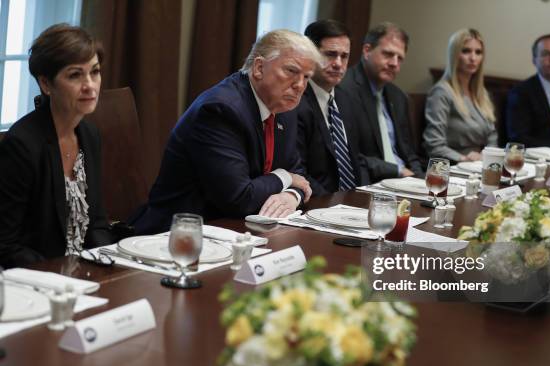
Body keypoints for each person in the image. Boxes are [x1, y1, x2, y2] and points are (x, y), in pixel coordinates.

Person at [132, 30, 319, 234]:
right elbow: (239, 198)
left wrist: (291, 196)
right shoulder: (221, 110)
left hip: (241, 231)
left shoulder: (284, 108)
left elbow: (299, 174)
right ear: (258, 68)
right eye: (291, 71)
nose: (300, 85)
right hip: (181, 234)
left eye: (306, 77)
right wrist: (285, 177)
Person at [0, 24, 114, 268]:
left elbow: (98, 223)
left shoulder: (90, 134)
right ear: (45, 84)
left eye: (94, 72)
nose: (90, 85)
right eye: (75, 75)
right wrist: (62, 275)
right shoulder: (22, 144)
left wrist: (104, 267)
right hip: (38, 281)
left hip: (86, 276)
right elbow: (6, 245)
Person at [340, 22, 424, 182]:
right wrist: (398, 171)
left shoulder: (399, 97)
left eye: (400, 58)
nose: (394, 63)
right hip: (370, 183)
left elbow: (410, 154)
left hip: (405, 182)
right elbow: (351, 155)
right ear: (367, 51)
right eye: (388, 54)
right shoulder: (344, 89)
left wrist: (420, 182)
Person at [296, 19, 369, 196]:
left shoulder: (346, 99)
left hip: (351, 202)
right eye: (330, 54)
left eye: (344, 56)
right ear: (310, 54)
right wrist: (336, 202)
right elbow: (298, 171)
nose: (338, 63)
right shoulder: (295, 101)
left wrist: (363, 197)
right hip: (317, 203)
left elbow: (356, 161)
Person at [423, 28, 497, 163]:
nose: (473, 58)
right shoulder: (441, 92)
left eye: (478, 52)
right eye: (466, 51)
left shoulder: (482, 94)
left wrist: (485, 157)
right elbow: (434, 145)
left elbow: (492, 136)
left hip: (481, 164)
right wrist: (464, 159)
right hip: (453, 165)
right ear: (454, 54)